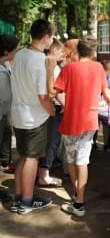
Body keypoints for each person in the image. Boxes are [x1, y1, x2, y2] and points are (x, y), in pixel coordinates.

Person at [49, 37, 110, 217]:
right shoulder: (98, 68)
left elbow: (52, 92)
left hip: (71, 121)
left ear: (78, 51)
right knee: (83, 161)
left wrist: (50, 70)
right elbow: (107, 94)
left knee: (72, 160)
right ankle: (78, 199)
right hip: (90, 122)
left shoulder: (69, 69)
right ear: (94, 52)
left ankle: (78, 200)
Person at [10, 19, 56, 214]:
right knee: (32, 158)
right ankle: (27, 202)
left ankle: (19, 197)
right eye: (52, 37)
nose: (52, 41)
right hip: (34, 117)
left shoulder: (20, 54)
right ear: (45, 38)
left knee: (24, 156)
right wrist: (52, 111)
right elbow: (44, 96)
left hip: (18, 114)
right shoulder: (40, 61)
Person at [38, 38, 65, 186]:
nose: (63, 54)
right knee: (52, 141)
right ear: (54, 50)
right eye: (61, 51)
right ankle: (44, 174)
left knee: (50, 141)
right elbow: (55, 91)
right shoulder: (52, 67)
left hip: (48, 107)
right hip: (53, 108)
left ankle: (42, 172)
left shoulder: (47, 63)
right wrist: (66, 104)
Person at [0, 34, 19, 199]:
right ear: (7, 51)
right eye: (16, 50)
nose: (17, 53)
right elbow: (6, 95)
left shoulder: (4, 64)